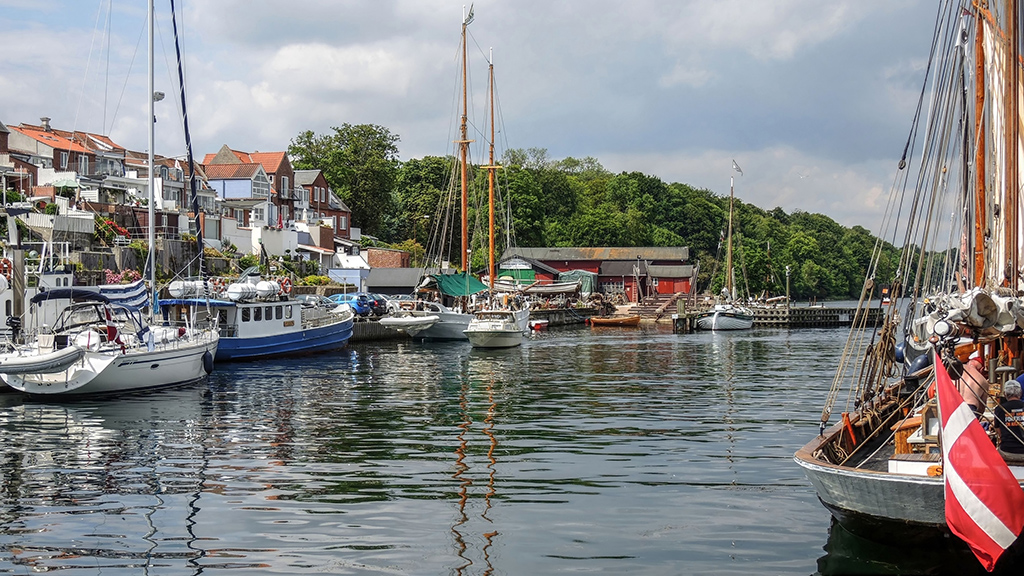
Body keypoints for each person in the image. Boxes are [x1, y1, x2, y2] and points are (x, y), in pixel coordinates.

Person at [955, 351, 989, 417]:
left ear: (969, 362)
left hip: (954, 406)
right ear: (981, 369)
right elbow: (982, 408)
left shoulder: (956, 370)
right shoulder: (983, 381)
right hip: (971, 408)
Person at [995, 379, 1024, 455]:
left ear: (1005, 394)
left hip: (1007, 449)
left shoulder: (999, 409)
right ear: (1020, 393)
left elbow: (999, 432)